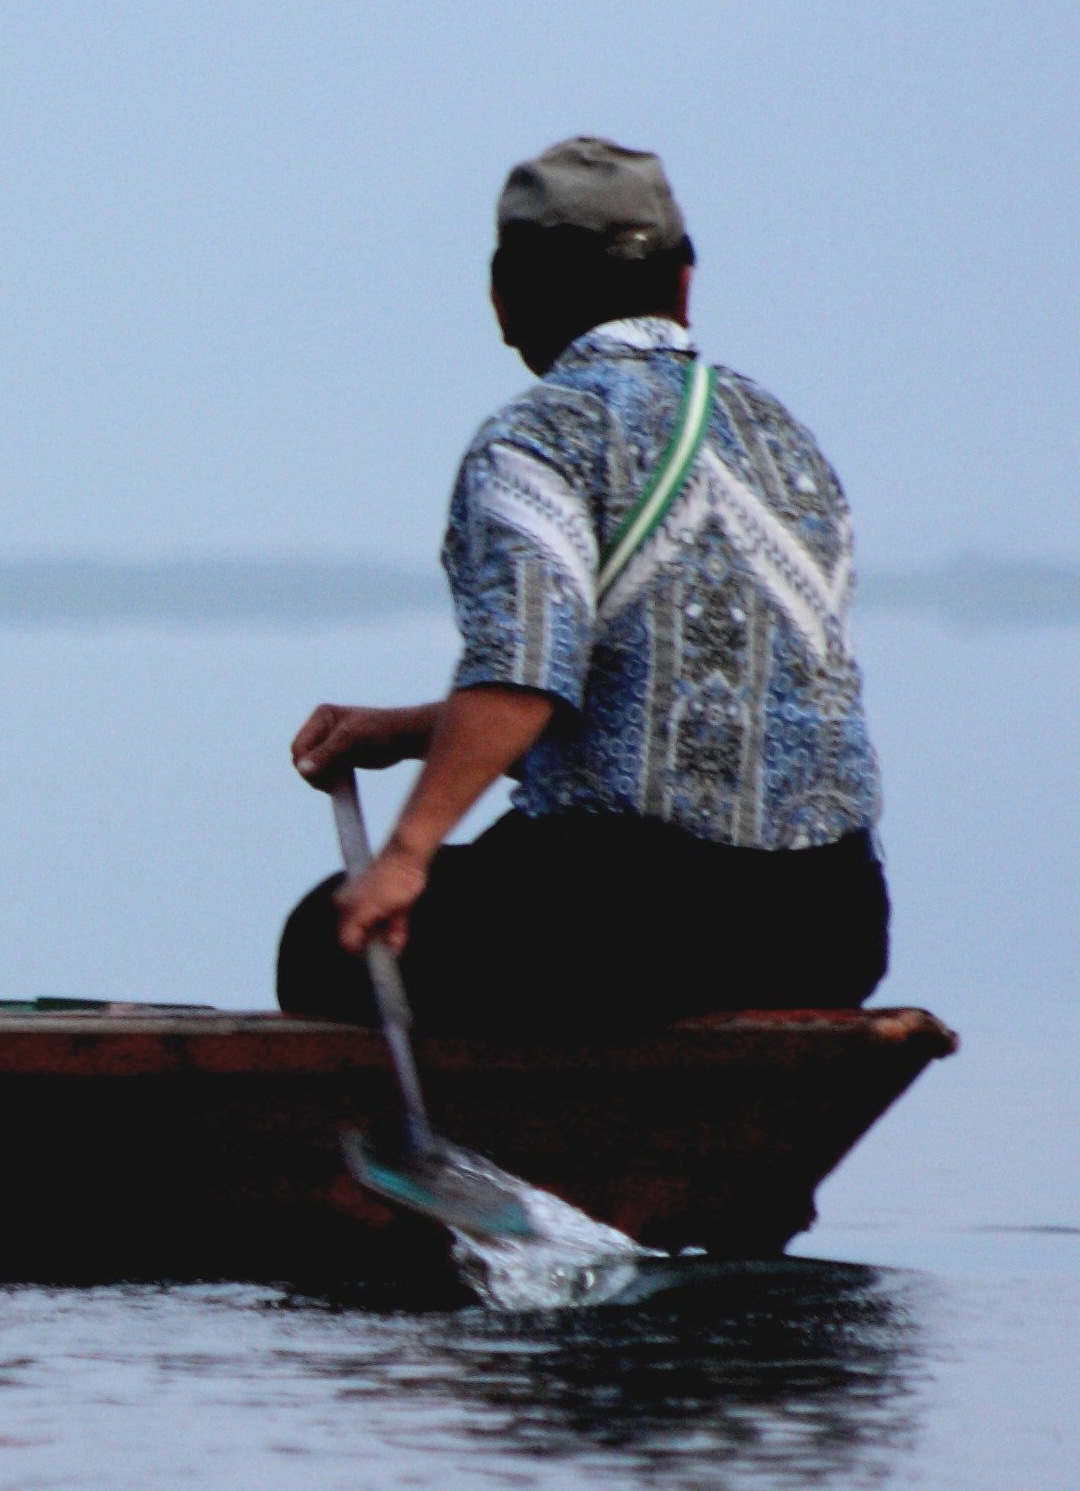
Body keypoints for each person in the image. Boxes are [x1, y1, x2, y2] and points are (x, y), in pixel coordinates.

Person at [281, 137, 888, 1032]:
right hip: (829, 926)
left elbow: (526, 671)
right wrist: (412, 733)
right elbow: (665, 714)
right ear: (684, 284)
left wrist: (406, 855)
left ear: (505, 296)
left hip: (622, 923)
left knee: (325, 938)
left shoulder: (542, 437)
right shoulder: (781, 437)